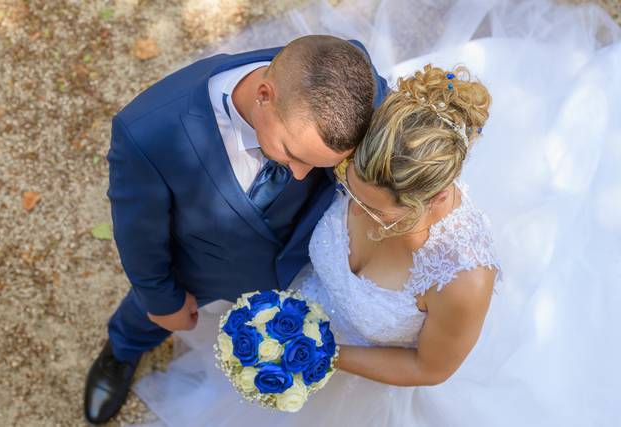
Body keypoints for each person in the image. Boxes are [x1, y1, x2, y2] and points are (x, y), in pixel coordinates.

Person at [131, 0, 621, 426]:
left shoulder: (464, 280)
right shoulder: (365, 156)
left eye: (373, 208)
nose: (352, 205)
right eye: (350, 190)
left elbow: (430, 369)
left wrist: (326, 356)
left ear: (430, 202)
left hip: (365, 378)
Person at [84, 34, 388, 424]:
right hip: (205, 266)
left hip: (310, 256)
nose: (299, 174)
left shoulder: (349, 83)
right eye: (293, 155)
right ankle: (120, 353)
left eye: (319, 164)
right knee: (144, 313)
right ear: (264, 94)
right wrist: (164, 303)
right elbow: (139, 238)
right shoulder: (148, 136)